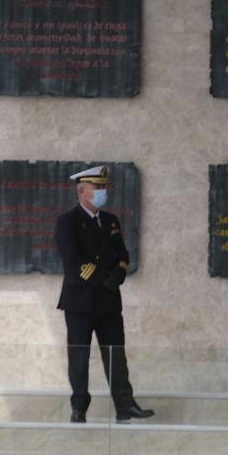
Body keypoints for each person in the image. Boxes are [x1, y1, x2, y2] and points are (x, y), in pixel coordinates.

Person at [54, 166, 153, 424]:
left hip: (109, 300)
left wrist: (118, 274)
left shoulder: (111, 220)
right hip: (80, 302)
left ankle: (125, 405)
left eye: (103, 187)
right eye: (98, 188)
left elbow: (123, 254)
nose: (103, 192)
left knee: (116, 355)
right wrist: (103, 279)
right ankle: (79, 407)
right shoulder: (68, 221)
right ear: (82, 192)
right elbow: (72, 260)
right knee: (79, 357)